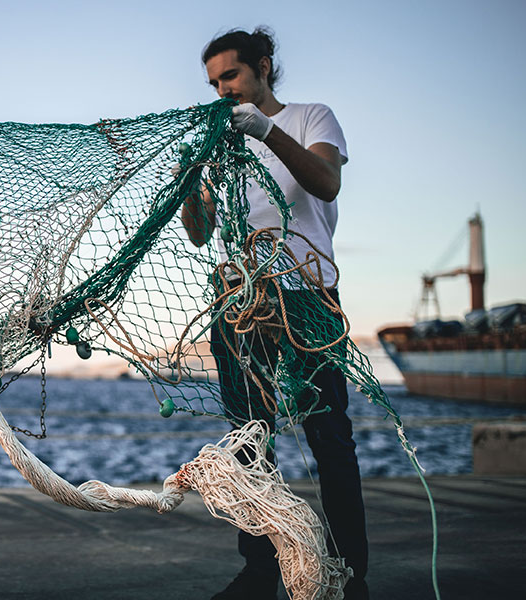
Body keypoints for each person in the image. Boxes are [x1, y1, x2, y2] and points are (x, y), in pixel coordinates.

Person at [182, 28, 369, 600]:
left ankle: (348, 573)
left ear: (263, 67)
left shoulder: (313, 117)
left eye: (230, 76)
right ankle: (262, 569)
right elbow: (199, 233)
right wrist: (191, 183)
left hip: (309, 300)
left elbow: (326, 182)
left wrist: (267, 130)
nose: (222, 90)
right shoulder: (224, 142)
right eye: (213, 82)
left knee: (328, 435)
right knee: (247, 441)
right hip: (243, 303)